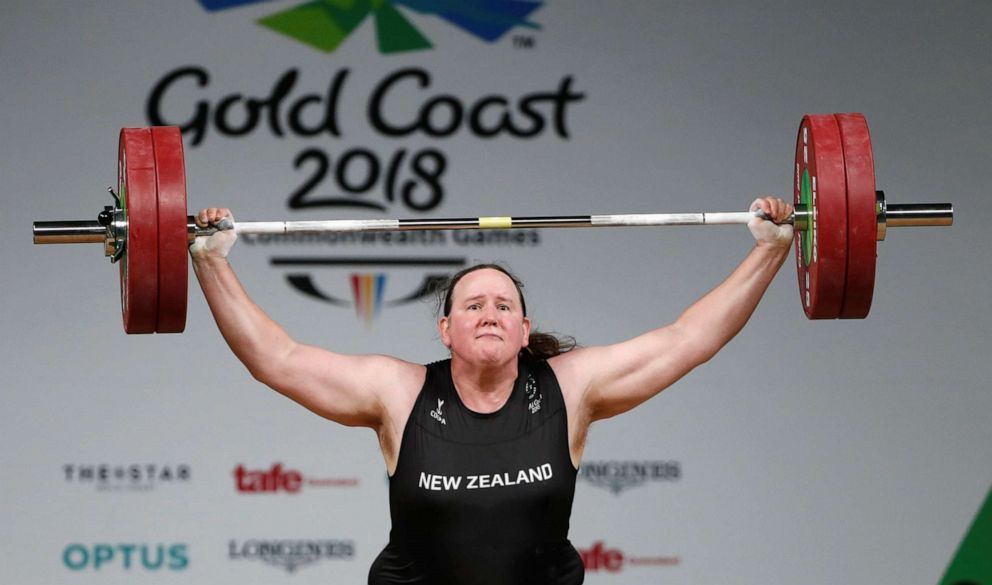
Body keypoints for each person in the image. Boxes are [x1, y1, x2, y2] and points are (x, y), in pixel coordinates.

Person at [190, 196, 794, 584]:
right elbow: (277, 359)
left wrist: (770, 250)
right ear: (445, 329)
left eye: (505, 305)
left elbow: (688, 338)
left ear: (524, 329)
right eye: (473, 304)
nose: (490, 313)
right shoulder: (398, 393)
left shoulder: (571, 387)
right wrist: (211, 261)